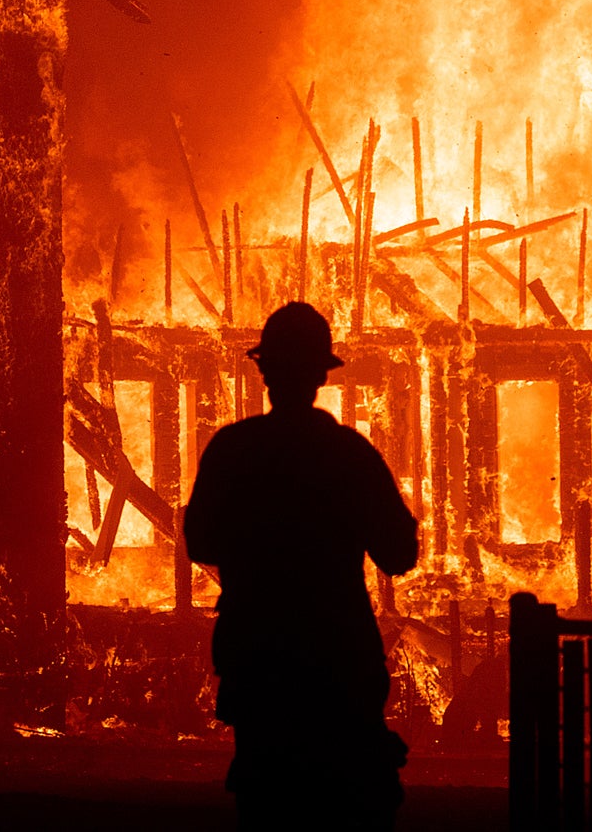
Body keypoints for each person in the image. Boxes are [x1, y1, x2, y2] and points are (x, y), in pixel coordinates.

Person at [186, 302, 420, 831]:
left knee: (269, 805)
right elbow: (399, 555)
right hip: (339, 661)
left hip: (260, 661)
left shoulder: (232, 450)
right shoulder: (351, 456)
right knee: (351, 804)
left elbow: (199, 541)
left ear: (264, 371)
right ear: (321, 374)